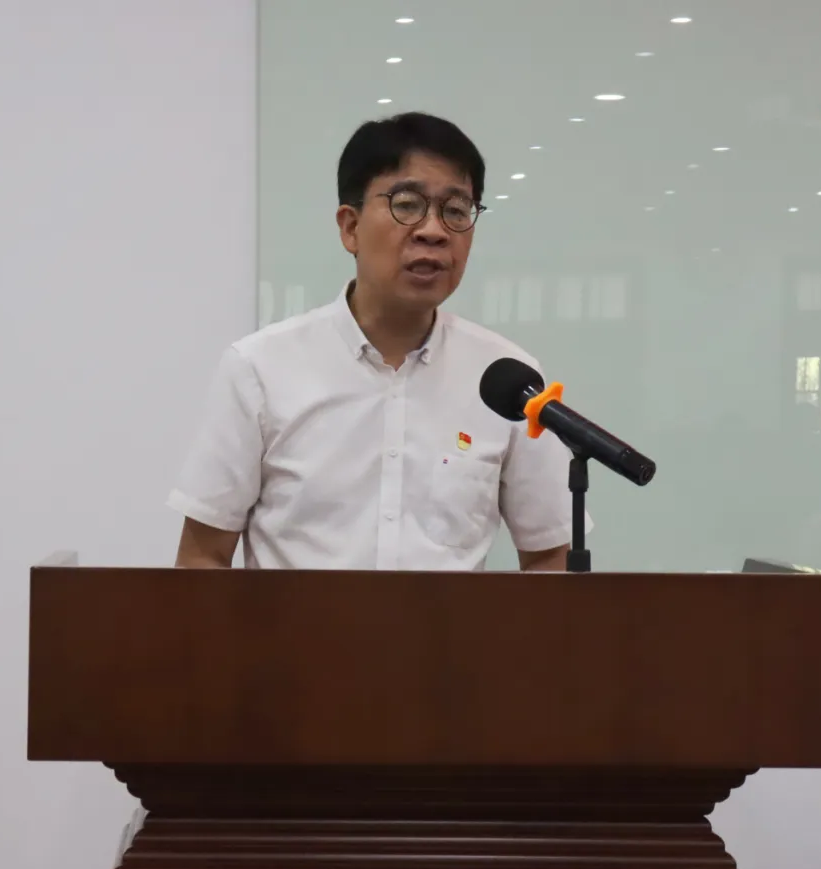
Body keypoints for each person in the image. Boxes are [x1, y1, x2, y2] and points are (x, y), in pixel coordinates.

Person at [168, 111, 586, 571]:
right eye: (407, 205)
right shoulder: (259, 368)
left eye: (455, 211)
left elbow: (550, 554)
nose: (434, 231)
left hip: (451, 625)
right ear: (350, 227)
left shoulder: (508, 379)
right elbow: (202, 557)